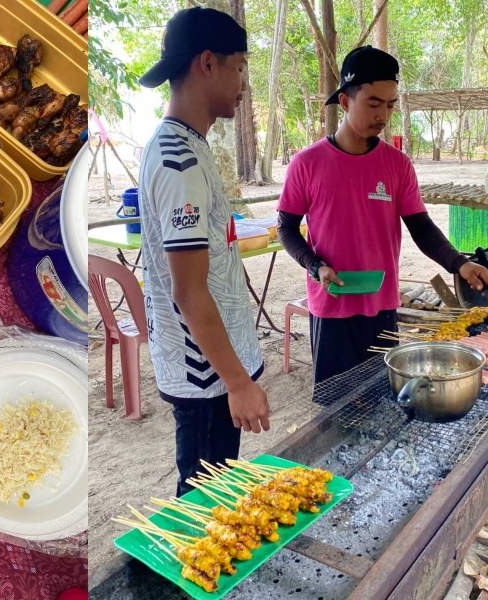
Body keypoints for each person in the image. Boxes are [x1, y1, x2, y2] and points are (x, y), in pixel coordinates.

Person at [277, 46, 488, 385]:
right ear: (345, 102)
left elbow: (421, 226)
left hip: (381, 306)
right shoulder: (307, 163)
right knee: (335, 408)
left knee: (378, 405)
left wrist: (458, 264)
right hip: (332, 306)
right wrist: (315, 265)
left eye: (390, 105)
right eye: (373, 103)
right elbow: (286, 228)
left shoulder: (397, 165)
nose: (383, 115)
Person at [137, 7, 270, 497]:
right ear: (208, 63)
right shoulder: (178, 160)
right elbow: (188, 290)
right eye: (240, 68)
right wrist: (237, 382)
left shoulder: (190, 146)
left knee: (220, 493)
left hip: (213, 368)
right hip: (205, 376)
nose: (243, 84)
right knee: (202, 506)